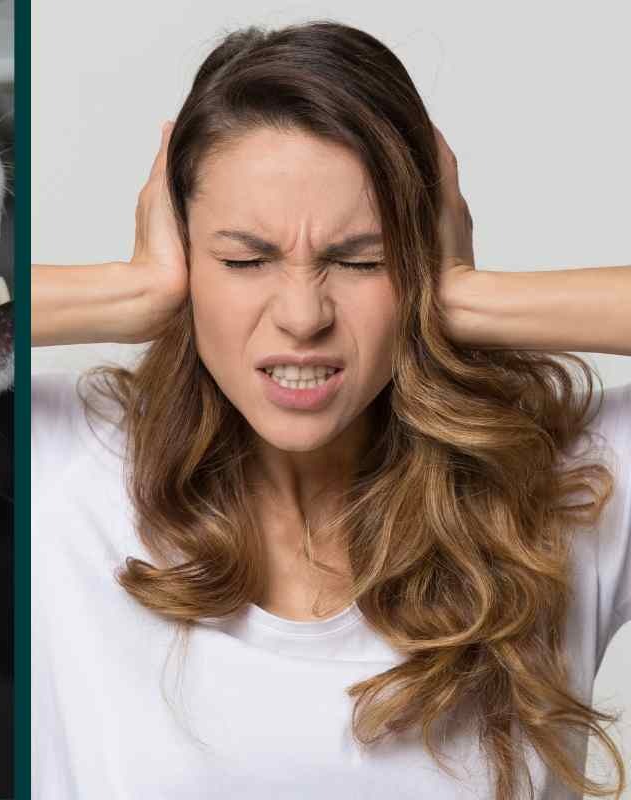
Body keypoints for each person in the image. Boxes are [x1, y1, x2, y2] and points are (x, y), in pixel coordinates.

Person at [31, 20, 631, 800]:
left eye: (361, 260)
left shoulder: (557, 489)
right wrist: (134, 289)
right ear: (184, 256)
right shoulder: (63, 472)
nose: (302, 315)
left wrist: (467, 296)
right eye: (245, 260)